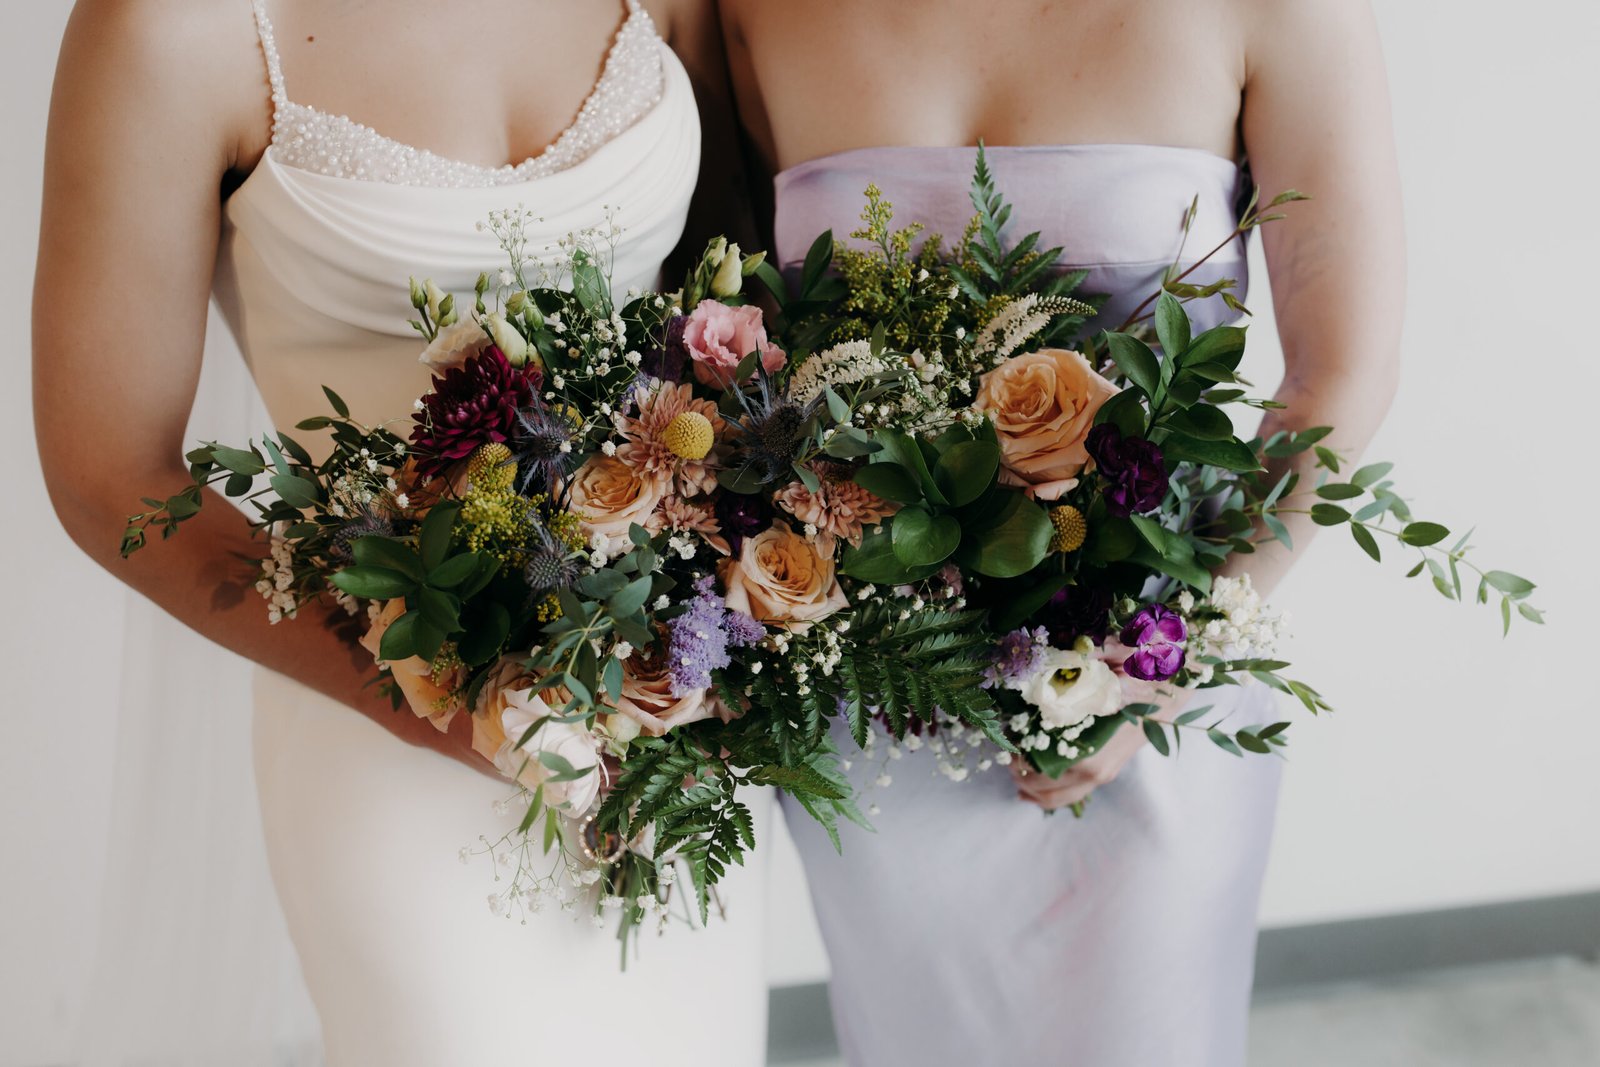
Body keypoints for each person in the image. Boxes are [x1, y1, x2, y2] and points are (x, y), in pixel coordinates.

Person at [33, 1, 767, 1063]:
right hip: (390, 727)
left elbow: (736, 312)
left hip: (672, 726)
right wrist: (451, 700)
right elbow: (108, 476)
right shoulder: (172, 27)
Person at [719, 0, 1405, 1063]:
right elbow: (737, 338)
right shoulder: (753, 11)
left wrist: (1151, 662)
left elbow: (1338, 376)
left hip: (1146, 691)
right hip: (881, 702)